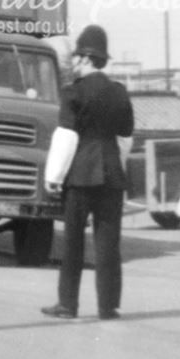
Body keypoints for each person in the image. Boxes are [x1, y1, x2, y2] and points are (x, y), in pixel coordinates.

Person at [42, 25, 134, 321]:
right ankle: (109, 307)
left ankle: (68, 304)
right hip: (111, 175)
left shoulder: (73, 93)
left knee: (73, 242)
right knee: (109, 244)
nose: (75, 65)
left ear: (83, 59)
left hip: (80, 175)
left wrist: (53, 178)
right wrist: (114, 165)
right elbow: (126, 135)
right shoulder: (119, 93)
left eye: (76, 60)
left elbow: (66, 138)